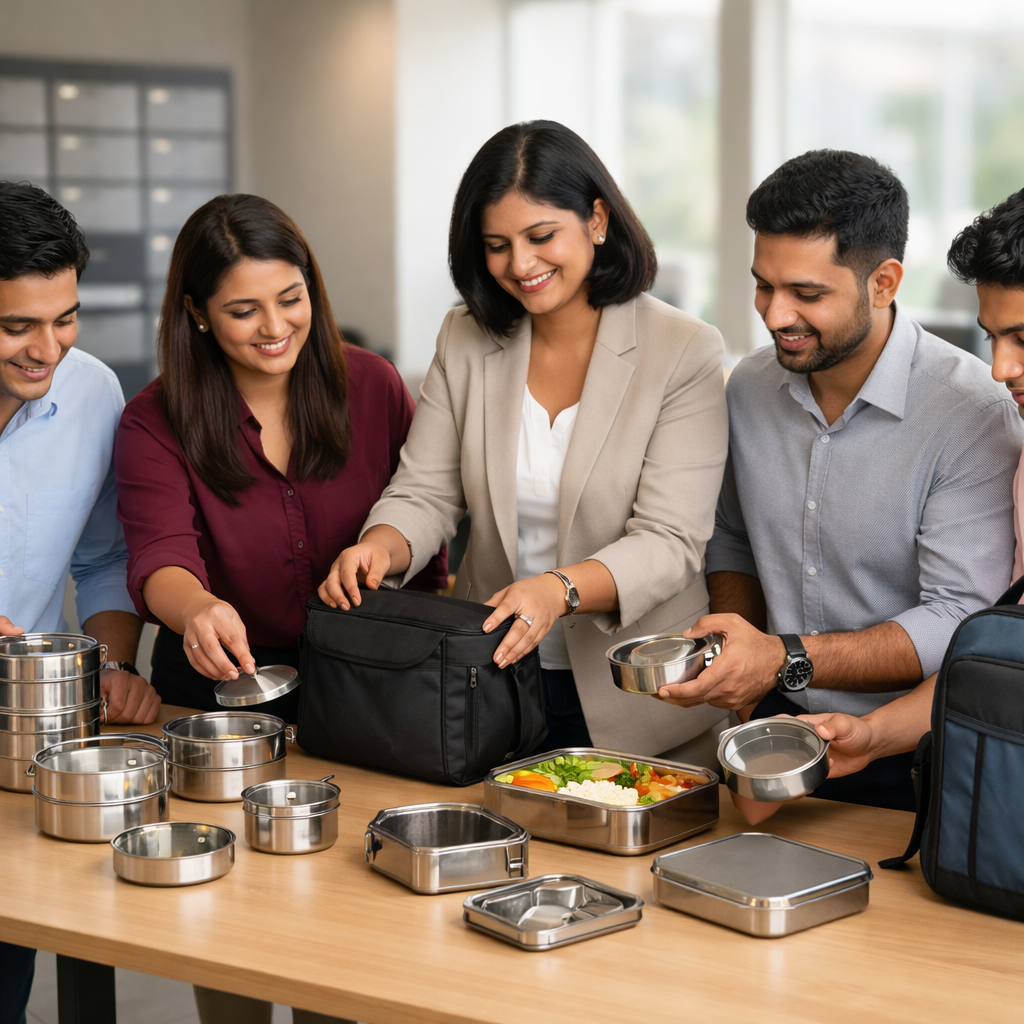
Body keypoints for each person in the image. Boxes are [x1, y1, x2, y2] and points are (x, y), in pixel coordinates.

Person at [113, 193, 443, 1024]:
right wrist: (194, 611)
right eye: (241, 310)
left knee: (343, 925)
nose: (273, 328)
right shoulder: (154, 419)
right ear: (195, 314)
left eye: (290, 299)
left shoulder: (372, 386)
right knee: (228, 925)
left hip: (363, 700)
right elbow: (159, 557)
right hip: (218, 698)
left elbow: (428, 528)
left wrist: (389, 557)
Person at [321, 121, 730, 761]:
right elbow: (426, 492)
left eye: (541, 237)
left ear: (597, 220)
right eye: (497, 245)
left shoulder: (683, 350)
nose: (521, 265)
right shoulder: (465, 336)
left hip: (638, 692)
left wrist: (557, 589)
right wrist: (380, 547)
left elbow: (670, 541)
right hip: (489, 676)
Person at [656, 150, 1024, 811]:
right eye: (764, 285)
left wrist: (783, 656)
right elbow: (734, 539)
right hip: (775, 727)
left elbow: (957, 620)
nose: (774, 316)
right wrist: (746, 668)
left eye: (807, 294)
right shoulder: (748, 387)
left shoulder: (975, 413)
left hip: (916, 752)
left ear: (883, 282)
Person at [0, 182, 160, 1024]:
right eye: (15, 326)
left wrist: (114, 663)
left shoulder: (94, 393)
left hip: (23, 747)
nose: (46, 348)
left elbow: (103, 559)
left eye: (63, 318)